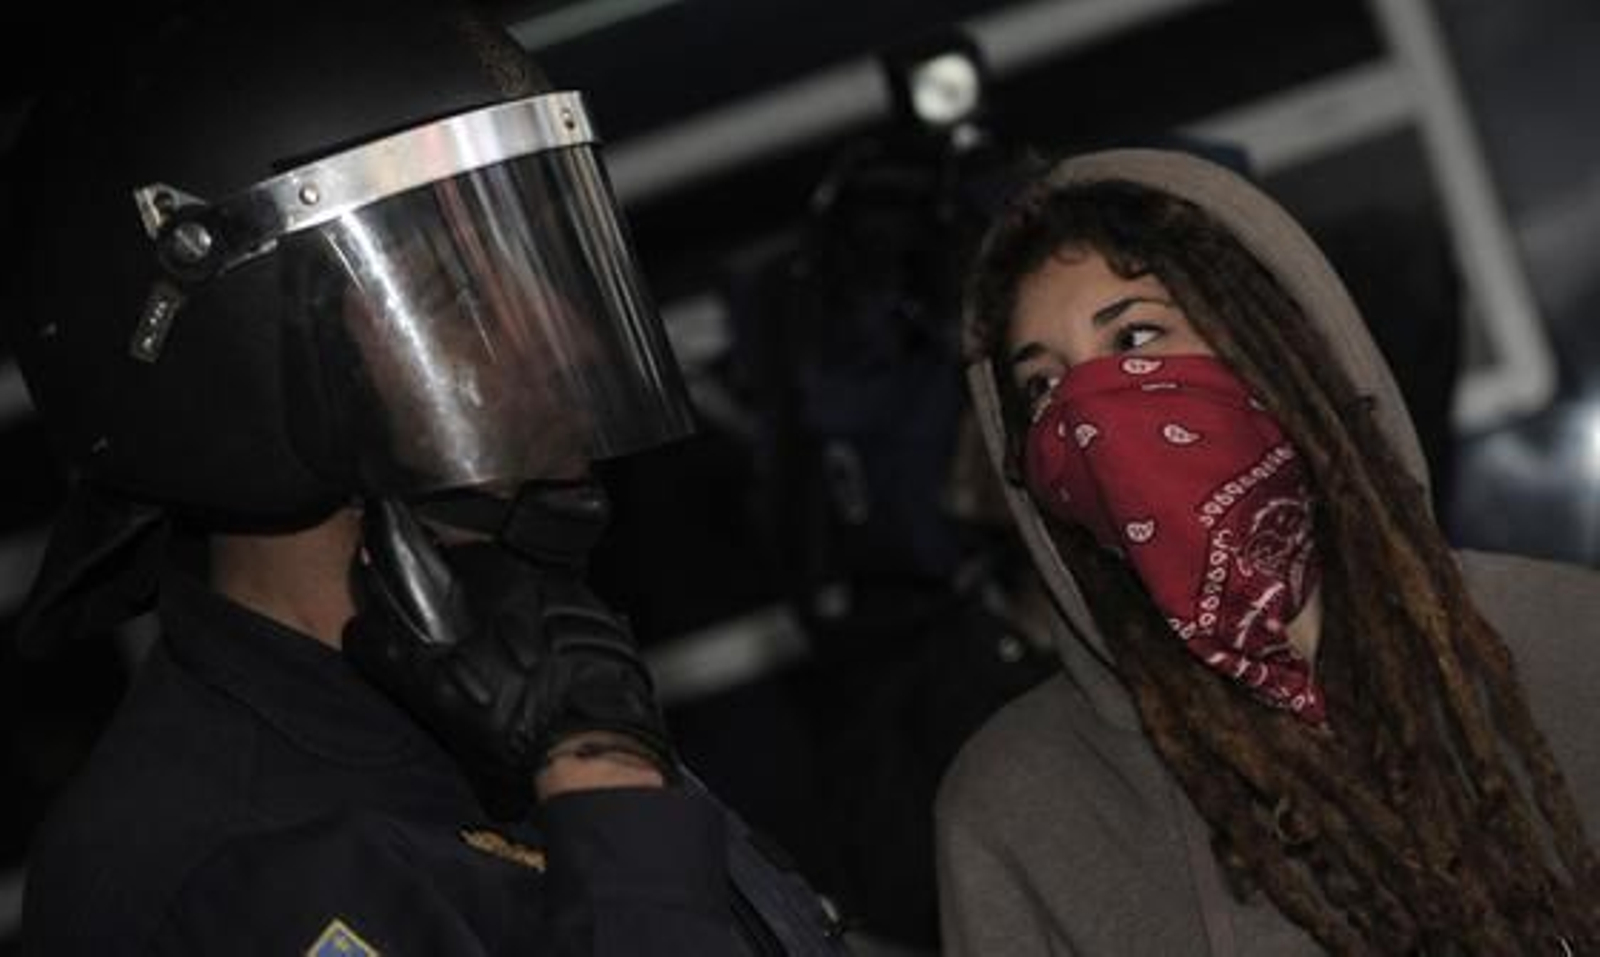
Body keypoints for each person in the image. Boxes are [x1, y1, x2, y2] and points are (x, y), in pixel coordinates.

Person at [2, 3, 846, 954]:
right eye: (458, 299)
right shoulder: (217, 866)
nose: (560, 337)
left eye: (542, 263)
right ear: (224, 375)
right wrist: (607, 794)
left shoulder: (506, 683)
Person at [934, 148, 1600, 955]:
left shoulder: (1567, 641)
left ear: (1272, 350)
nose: (1090, 410)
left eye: (1136, 336)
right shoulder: (1027, 812)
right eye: (1042, 387)